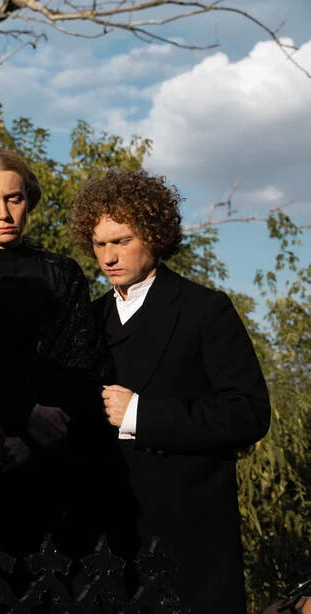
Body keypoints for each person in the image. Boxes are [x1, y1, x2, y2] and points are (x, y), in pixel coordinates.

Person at [70, 168, 270, 613]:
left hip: (188, 541)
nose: (108, 256)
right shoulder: (88, 318)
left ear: (154, 234)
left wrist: (140, 414)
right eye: (99, 244)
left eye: (121, 241)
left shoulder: (205, 309)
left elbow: (249, 412)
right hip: (107, 539)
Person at [0, 149, 115, 567]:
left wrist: (33, 437)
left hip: (47, 461)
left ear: (28, 198)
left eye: (13, 198)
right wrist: (13, 419)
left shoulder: (62, 272)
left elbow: (80, 364)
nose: (4, 213)